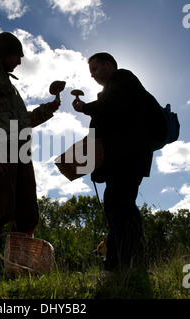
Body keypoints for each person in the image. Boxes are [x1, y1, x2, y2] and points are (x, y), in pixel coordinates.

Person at [0, 32, 60, 269]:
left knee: (28, 213)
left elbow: (21, 121)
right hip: (0, 149)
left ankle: (18, 267)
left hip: (21, 152)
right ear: (3, 52)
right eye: (17, 55)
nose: (20, 61)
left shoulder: (9, 86)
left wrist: (47, 109)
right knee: (1, 208)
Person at [72, 52, 153, 271]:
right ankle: (122, 265)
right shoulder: (113, 89)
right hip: (121, 159)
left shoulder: (123, 79)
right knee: (118, 207)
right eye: (90, 72)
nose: (92, 75)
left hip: (128, 158)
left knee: (120, 207)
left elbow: (111, 107)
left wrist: (84, 108)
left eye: (95, 69)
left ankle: (126, 265)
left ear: (108, 64)